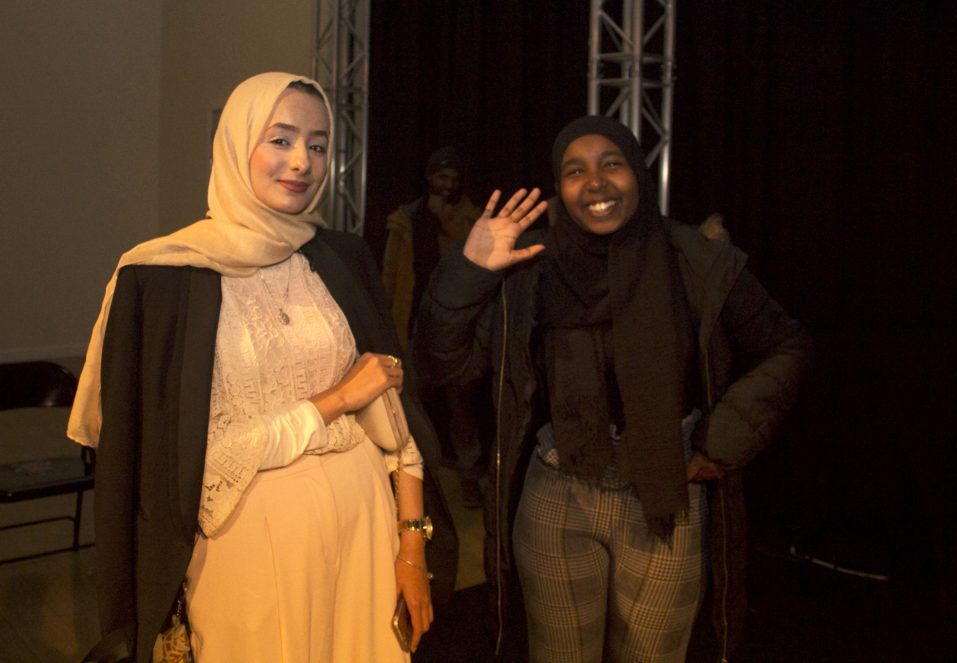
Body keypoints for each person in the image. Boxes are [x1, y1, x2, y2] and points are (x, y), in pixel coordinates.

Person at [68, 72, 455, 663]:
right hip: (245, 557)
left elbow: (394, 420)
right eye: (280, 139)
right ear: (236, 143)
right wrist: (334, 401)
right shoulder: (162, 279)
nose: (302, 161)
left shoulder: (342, 258)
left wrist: (411, 548)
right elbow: (180, 468)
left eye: (318, 145)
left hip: (366, 540)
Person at [414, 115, 811, 662]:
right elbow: (443, 365)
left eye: (612, 164)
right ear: (559, 187)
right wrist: (469, 269)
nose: (595, 182)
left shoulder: (696, 258)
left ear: (638, 176)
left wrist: (722, 441)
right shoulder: (531, 265)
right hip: (557, 493)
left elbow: (786, 344)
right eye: (575, 171)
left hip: (668, 496)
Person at [381, 146, 491, 508]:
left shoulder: (470, 219)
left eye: (454, 178)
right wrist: (388, 323)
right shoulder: (407, 219)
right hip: (413, 325)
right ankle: (410, 482)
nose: (449, 184)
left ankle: (469, 477)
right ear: (429, 178)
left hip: (454, 331)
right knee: (409, 406)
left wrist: (445, 217)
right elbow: (391, 275)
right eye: (442, 177)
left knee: (462, 408)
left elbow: (472, 261)